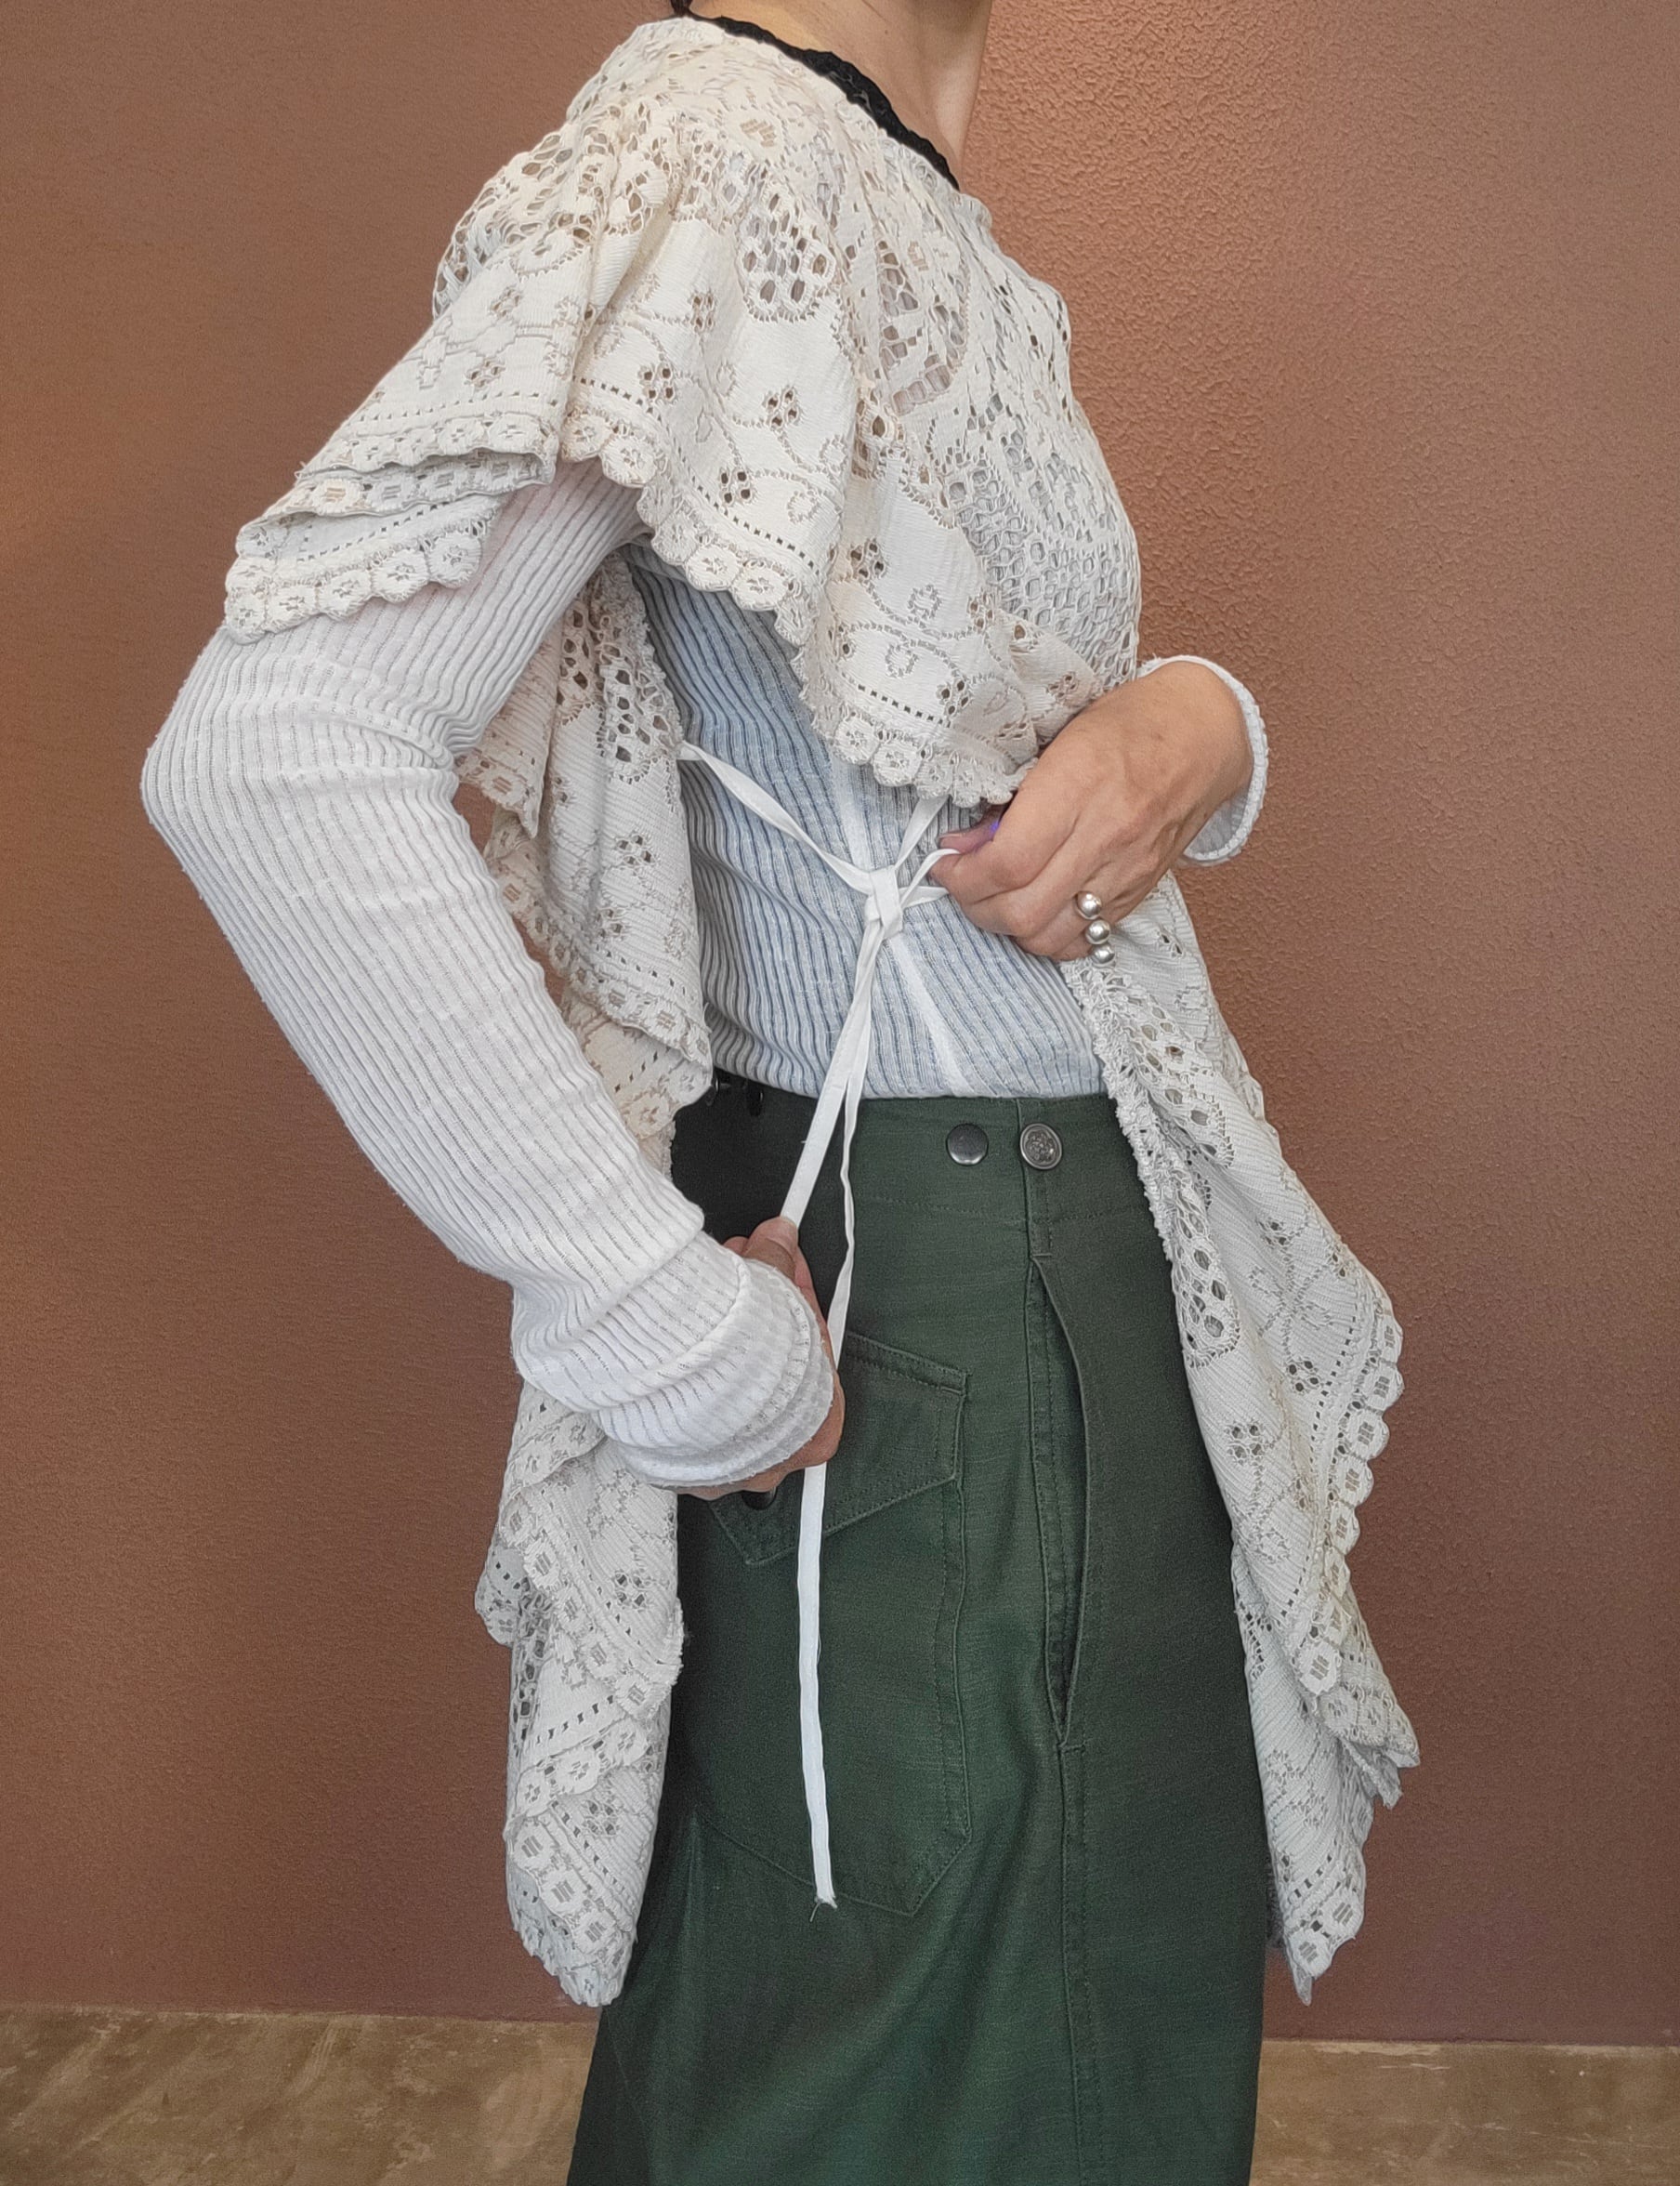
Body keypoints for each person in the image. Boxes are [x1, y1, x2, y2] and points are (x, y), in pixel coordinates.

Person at [139, 5, 1420, 2179]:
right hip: (945, 1313)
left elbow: (917, 711)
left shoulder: (872, 178)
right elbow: (277, 750)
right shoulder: (726, 143)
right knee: (968, 2082)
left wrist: (1201, 727)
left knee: (989, 2040)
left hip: (1022, 1277)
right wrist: (652, 1325)